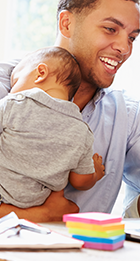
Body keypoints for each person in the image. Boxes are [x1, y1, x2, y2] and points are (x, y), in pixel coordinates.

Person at [0, 0, 140, 221]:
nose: (124, 48)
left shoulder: (130, 117)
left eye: (132, 37)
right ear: (66, 24)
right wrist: (43, 214)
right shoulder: (8, 87)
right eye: (111, 29)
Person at [0, 46, 105, 208]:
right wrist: (96, 174)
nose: (11, 89)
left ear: (40, 73)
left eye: (15, 81)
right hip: (35, 206)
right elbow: (80, 181)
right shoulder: (82, 131)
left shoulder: (14, 104)